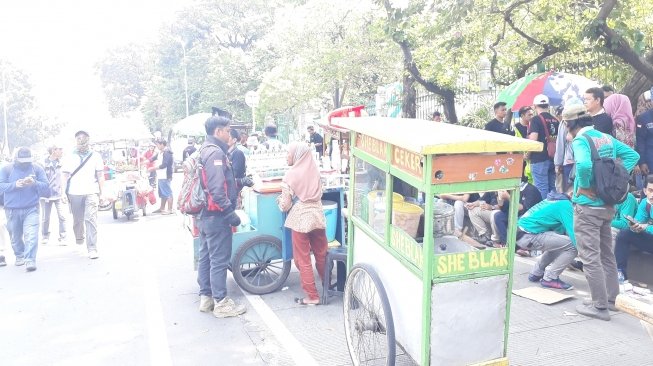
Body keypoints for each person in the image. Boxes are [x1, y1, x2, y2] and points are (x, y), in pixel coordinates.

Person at [563, 104, 639, 321]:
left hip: (587, 208)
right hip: (606, 206)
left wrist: (587, 185)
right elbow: (632, 155)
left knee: (589, 256)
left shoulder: (580, 141)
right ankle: (611, 299)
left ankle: (599, 306)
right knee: (606, 254)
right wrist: (615, 178)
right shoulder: (605, 138)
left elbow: (584, 166)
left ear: (570, 124)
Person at [197, 116, 246, 318]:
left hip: (205, 215)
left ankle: (206, 298)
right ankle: (221, 303)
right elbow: (217, 189)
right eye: (227, 130)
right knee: (218, 259)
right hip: (216, 216)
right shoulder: (216, 153)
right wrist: (229, 212)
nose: (229, 134)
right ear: (218, 132)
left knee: (206, 257)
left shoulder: (205, 150)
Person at [277, 142, 328, 306]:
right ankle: (327, 287)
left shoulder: (290, 175)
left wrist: (280, 203)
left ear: (297, 155)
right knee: (322, 254)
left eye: (288, 153)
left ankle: (312, 296)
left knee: (303, 259)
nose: (286, 156)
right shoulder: (315, 172)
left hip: (300, 220)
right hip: (318, 217)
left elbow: (285, 205)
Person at [0, 147, 50, 271]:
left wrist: (34, 182)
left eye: (27, 160)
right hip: (11, 209)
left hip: (31, 208)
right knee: (15, 237)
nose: (25, 163)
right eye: (22, 160)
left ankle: (30, 260)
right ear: (15, 158)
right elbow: (1, 185)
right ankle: (19, 255)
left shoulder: (37, 168)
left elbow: (46, 185)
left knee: (31, 235)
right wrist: (14, 185)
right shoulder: (6, 169)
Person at [516, 191, 577, 290]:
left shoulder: (554, 200)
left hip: (520, 234)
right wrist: (586, 255)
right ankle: (550, 278)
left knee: (561, 242)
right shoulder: (565, 205)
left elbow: (559, 231)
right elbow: (573, 233)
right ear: (572, 193)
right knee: (573, 246)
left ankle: (536, 272)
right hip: (528, 236)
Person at [62, 131, 105, 260]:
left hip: (91, 191)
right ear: (75, 140)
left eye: (84, 138)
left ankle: (92, 247)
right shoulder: (69, 156)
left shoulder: (95, 156)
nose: (82, 141)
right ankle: (79, 237)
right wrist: (62, 193)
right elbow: (64, 175)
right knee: (78, 220)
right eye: (79, 138)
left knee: (91, 219)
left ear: (88, 140)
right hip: (74, 193)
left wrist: (103, 193)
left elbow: (100, 175)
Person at [615, 175, 653, 281]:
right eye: (650, 190)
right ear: (645, 191)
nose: (652, 194)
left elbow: (646, 227)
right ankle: (620, 272)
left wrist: (646, 227)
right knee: (624, 234)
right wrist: (636, 227)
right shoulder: (645, 203)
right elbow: (639, 221)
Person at [492, 178, 542, 247]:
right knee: (498, 216)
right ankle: (505, 243)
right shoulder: (509, 188)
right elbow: (503, 208)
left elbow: (522, 209)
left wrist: (508, 197)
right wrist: (500, 197)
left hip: (529, 217)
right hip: (516, 214)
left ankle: (517, 246)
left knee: (519, 219)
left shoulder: (530, 190)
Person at [528, 94, 559, 200]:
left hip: (539, 159)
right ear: (547, 105)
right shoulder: (555, 120)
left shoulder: (536, 119)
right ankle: (552, 212)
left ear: (534, 106)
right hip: (553, 158)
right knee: (552, 188)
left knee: (541, 189)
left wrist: (527, 155)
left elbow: (533, 140)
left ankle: (543, 214)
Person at [41, 145, 67, 245]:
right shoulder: (43, 163)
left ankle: (63, 237)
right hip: (46, 195)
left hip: (59, 194)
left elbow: (64, 180)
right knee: (45, 218)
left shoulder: (62, 164)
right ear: (53, 151)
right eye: (60, 149)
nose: (62, 151)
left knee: (62, 216)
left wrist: (64, 193)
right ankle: (45, 236)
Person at [555, 105, 575, 193]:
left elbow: (560, 144)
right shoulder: (588, 122)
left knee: (569, 192)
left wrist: (558, 163)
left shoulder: (564, 122)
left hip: (569, 162)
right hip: (581, 161)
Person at [228, 129, 254, 196]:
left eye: (228, 137)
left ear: (234, 140)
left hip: (235, 191)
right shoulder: (227, 153)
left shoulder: (237, 153)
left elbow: (234, 174)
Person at [151, 140, 173, 214]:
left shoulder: (167, 152)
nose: (157, 146)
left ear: (162, 144)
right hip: (161, 175)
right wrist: (144, 161)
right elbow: (152, 158)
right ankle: (162, 208)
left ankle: (170, 209)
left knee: (168, 193)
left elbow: (164, 165)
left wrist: (153, 168)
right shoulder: (160, 152)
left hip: (165, 175)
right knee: (162, 193)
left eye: (158, 145)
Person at [515, 106, 534, 184]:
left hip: (532, 158)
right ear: (522, 116)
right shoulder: (516, 127)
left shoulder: (534, 126)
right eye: (529, 115)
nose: (531, 117)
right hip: (520, 160)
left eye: (532, 114)